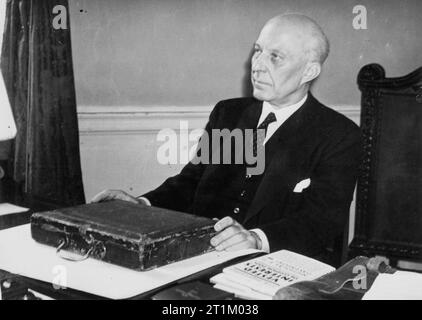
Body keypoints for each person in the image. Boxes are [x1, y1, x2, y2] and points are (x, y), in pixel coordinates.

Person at [92, 13, 362, 265]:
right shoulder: (228, 113)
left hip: (275, 263)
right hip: (201, 258)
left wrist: (255, 239)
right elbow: (191, 182)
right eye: (258, 51)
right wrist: (142, 205)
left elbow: (322, 221)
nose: (257, 66)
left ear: (308, 72)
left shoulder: (339, 135)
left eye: (275, 57)